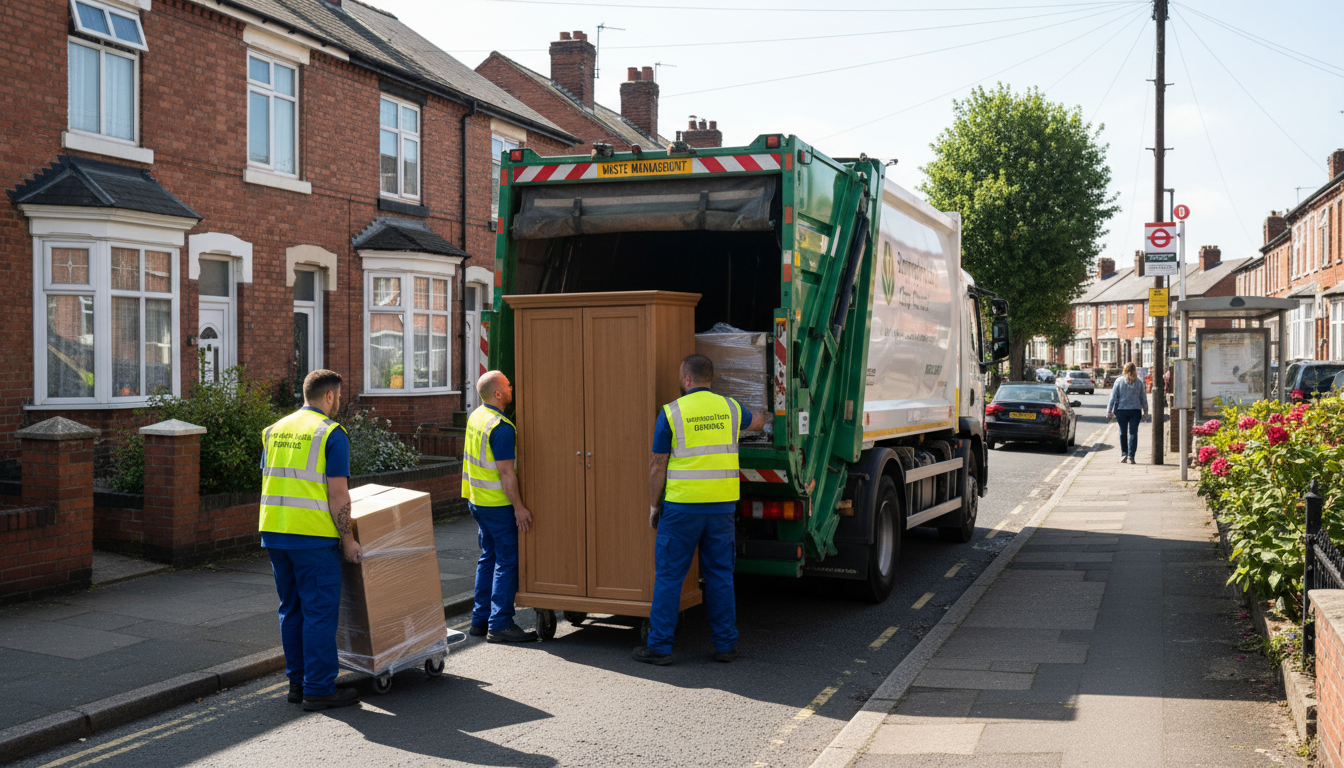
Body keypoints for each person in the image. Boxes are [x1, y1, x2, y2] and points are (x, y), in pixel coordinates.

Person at [634, 354, 767, 666]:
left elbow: (657, 465)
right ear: (712, 378)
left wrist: (655, 505)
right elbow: (757, 421)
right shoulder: (732, 408)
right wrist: (772, 416)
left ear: (686, 379)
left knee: (669, 577)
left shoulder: (671, 413)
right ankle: (725, 646)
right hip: (720, 508)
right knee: (720, 575)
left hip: (681, 509)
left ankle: (660, 647)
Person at [260, 369, 362, 711]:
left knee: (291, 609)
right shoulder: (332, 434)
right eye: (338, 398)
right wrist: (348, 541)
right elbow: (338, 495)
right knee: (319, 612)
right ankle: (318, 689)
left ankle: (298, 683)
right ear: (330, 396)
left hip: (275, 532)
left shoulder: (274, 431)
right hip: (313, 537)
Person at [463, 370, 536, 643]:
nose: (511, 387)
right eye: (507, 385)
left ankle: (480, 620)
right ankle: (501, 623)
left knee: (488, 557)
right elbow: (507, 473)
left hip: (477, 502)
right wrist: (519, 507)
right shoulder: (501, 428)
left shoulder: (476, 417)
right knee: (507, 561)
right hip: (498, 505)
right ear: (497, 394)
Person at [1107, 361, 1149, 464]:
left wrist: (1109, 410)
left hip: (1121, 411)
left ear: (1124, 370)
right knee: (1133, 433)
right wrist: (1146, 411)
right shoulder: (1139, 382)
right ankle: (1131, 456)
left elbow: (1113, 397)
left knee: (1123, 432)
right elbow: (1143, 398)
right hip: (1135, 411)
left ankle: (1124, 454)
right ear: (1135, 370)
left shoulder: (1119, 381)